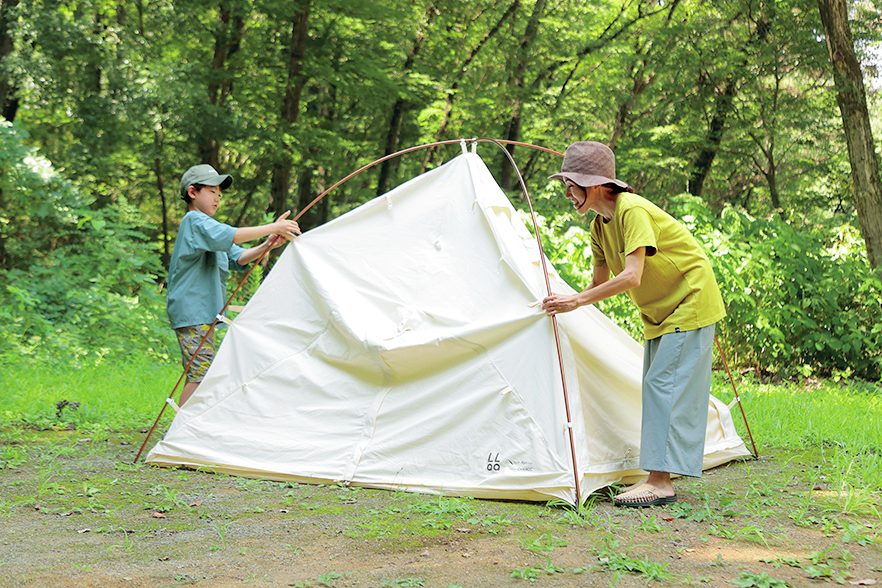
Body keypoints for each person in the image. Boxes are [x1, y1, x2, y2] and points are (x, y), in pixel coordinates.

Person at [541, 141, 726, 507]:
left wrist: (576, 301)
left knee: (663, 385)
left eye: (571, 185)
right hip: (659, 311)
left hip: (690, 299)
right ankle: (659, 475)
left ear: (593, 185)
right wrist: (561, 300)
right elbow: (597, 283)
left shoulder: (632, 211)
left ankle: (660, 482)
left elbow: (631, 276)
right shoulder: (599, 226)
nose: (567, 193)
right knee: (657, 386)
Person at [167, 164, 301, 406]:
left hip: (203, 313)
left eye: (220, 193)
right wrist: (274, 227)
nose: (218, 197)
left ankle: (188, 431)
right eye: (212, 191)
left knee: (201, 374)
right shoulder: (194, 222)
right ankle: (179, 435)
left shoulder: (207, 228)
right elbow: (231, 235)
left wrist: (268, 244)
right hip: (192, 312)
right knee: (200, 376)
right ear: (192, 192)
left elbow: (238, 257)